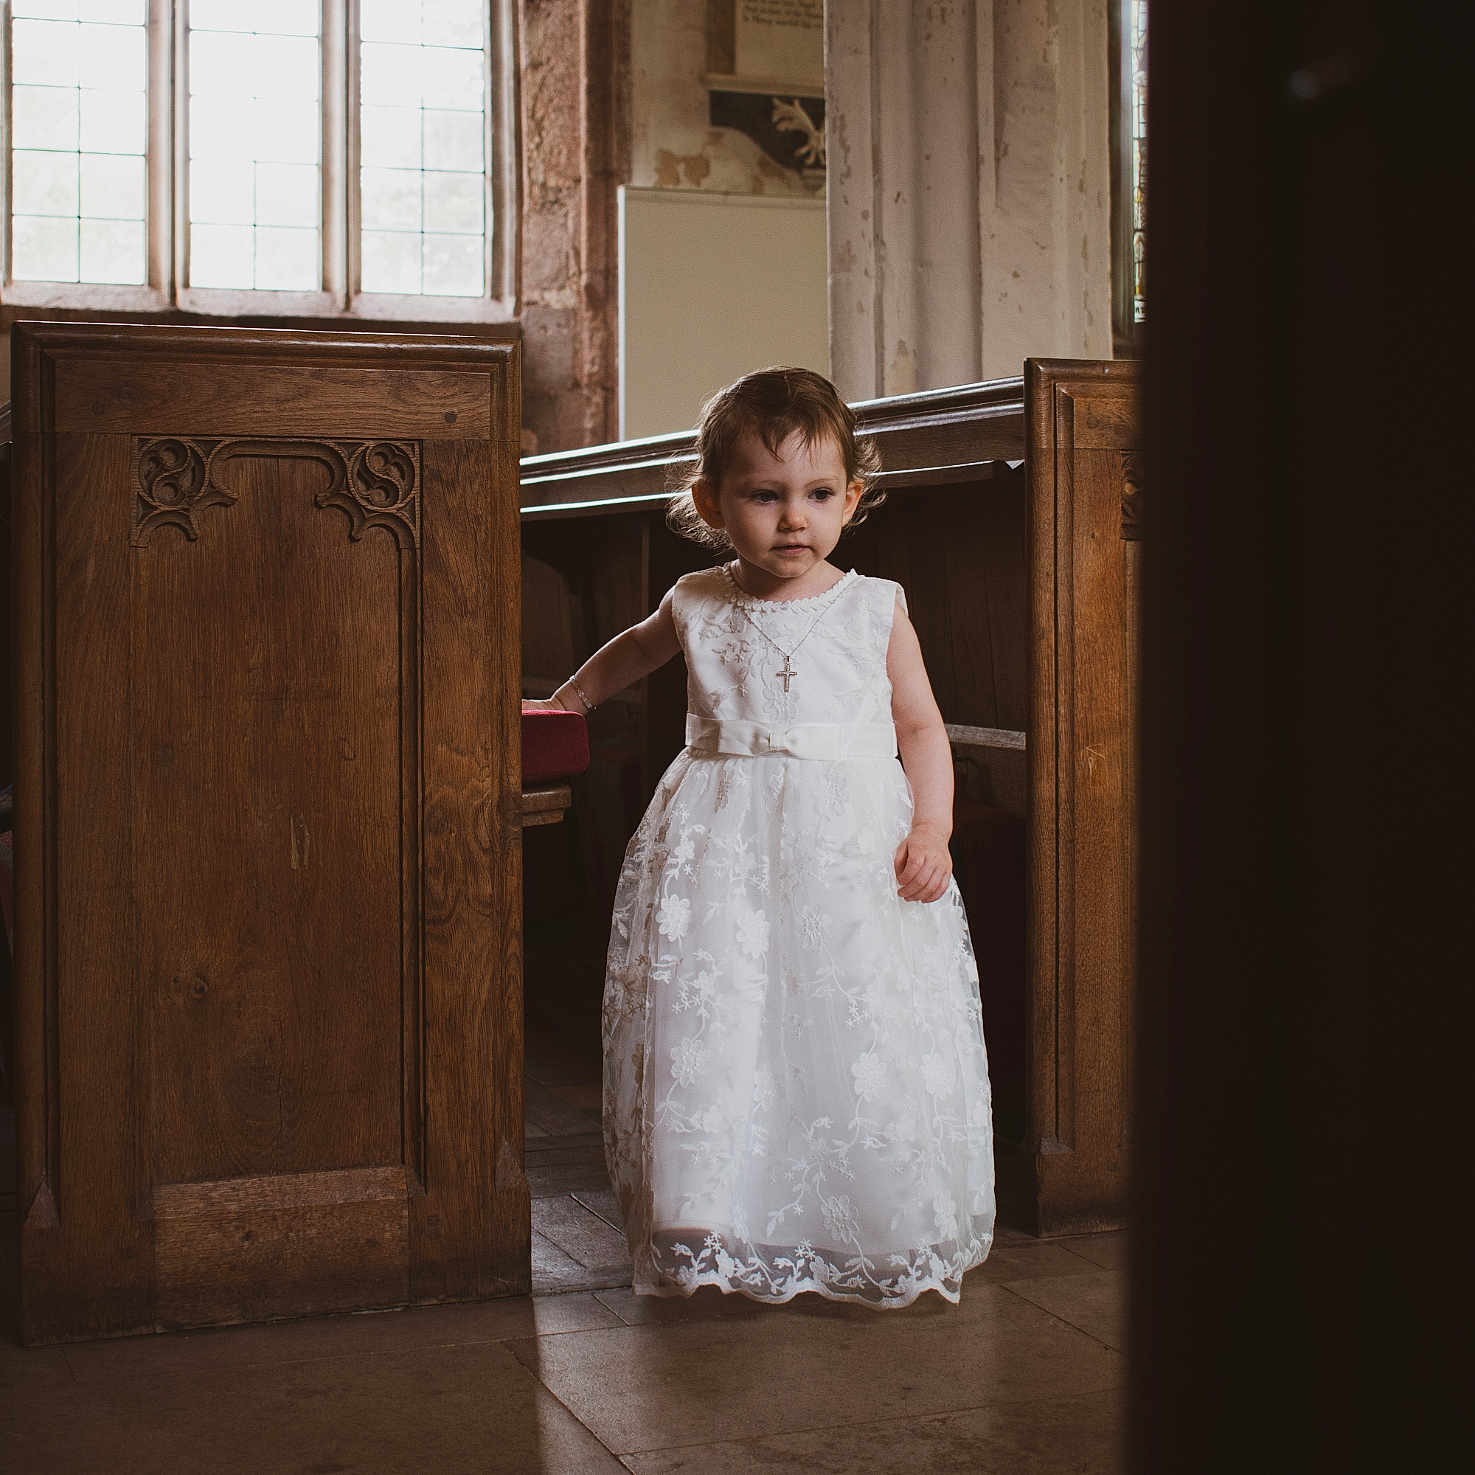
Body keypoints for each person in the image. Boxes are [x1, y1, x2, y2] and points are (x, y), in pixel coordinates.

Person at [535, 367, 994, 1308]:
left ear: (851, 500)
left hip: (849, 841)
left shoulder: (874, 605)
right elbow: (630, 649)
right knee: (725, 1010)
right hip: (722, 838)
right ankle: (714, 1209)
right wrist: (565, 700)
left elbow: (918, 727)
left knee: (848, 1012)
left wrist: (932, 825)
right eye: (765, 495)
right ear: (709, 501)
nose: (795, 518)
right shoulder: (697, 599)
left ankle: (873, 1209)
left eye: (819, 495)